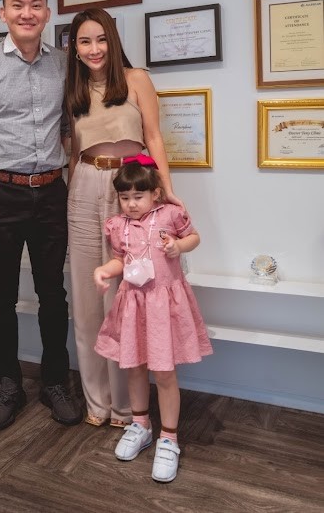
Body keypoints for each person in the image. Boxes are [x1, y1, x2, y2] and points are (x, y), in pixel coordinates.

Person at [0, 0, 82, 432]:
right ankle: (8, 385)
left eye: (35, 5)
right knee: (1, 297)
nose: (27, 13)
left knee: (54, 294)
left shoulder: (64, 65)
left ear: (47, 13)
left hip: (50, 193)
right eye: (17, 5)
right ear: (3, 12)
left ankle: (55, 382)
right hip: (0, 194)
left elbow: (68, 130)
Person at [66, 7, 183, 428]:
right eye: (84, 41)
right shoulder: (73, 88)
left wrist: (166, 191)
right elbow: (71, 149)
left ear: (113, 42)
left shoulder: (136, 80)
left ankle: (127, 406)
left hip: (131, 187)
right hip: (84, 185)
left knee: (128, 292)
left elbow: (153, 137)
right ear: (74, 49)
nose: (94, 48)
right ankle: (97, 402)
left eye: (101, 39)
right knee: (87, 295)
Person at [94, 157, 212, 482]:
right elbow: (119, 260)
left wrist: (178, 246)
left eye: (138, 196)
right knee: (134, 367)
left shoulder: (170, 214)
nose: (131, 204)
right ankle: (140, 424)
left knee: (164, 372)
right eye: (125, 197)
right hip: (133, 306)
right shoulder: (117, 225)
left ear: (155, 193)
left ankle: (169, 438)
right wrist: (104, 270)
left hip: (164, 307)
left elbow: (194, 237)